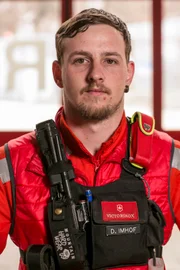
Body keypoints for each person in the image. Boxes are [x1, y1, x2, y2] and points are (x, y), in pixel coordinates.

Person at [0, 8, 180, 270]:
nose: (96, 74)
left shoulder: (170, 159)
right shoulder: (10, 165)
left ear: (128, 73)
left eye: (110, 60)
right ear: (58, 73)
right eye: (81, 60)